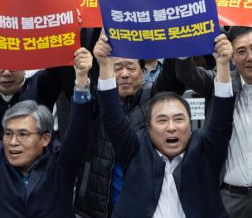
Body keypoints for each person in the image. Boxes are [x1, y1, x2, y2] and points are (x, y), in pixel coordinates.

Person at [172, 28, 252, 218]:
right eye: (241, 51)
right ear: (232, 57)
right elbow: (187, 74)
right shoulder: (219, 82)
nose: (250, 57)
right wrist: (184, 44)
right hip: (229, 197)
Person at [95, 41, 235, 217]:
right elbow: (112, 116)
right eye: (162, 120)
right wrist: (105, 65)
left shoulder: (205, 150)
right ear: (148, 127)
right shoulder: (135, 149)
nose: (171, 127)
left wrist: (223, 65)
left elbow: (222, 120)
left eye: (179, 119)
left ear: (190, 124)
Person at [0, 47, 93, 217]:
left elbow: (80, 130)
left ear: (45, 138)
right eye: (8, 134)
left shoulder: (59, 163)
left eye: (23, 134)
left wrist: (81, 77)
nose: (14, 142)